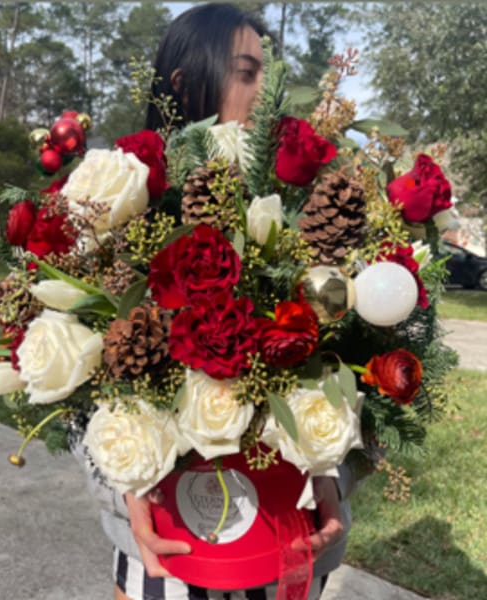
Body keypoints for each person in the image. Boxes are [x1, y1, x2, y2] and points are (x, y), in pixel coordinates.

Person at [74, 4, 356, 599]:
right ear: (184, 85)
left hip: (289, 549)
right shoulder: (122, 220)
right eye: (248, 74)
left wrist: (331, 479)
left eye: (272, 77)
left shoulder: (312, 223)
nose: (268, 95)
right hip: (161, 560)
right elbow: (82, 413)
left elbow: (364, 382)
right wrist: (130, 497)